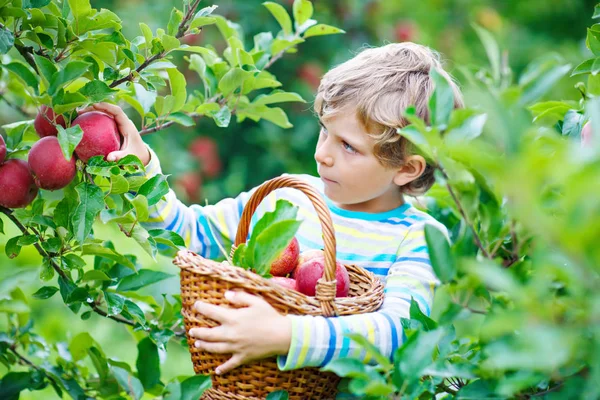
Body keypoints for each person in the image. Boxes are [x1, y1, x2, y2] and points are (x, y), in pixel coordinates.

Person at [83, 42, 464, 379]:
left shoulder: (419, 237)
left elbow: (397, 332)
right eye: (323, 131)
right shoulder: (288, 200)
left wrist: (285, 336)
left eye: (347, 146)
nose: (321, 154)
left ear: (406, 169)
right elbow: (188, 236)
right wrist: (141, 168)